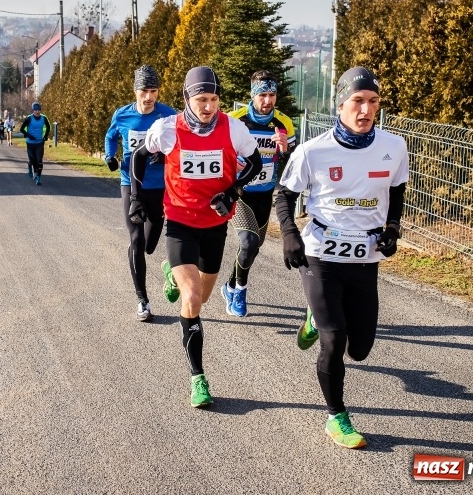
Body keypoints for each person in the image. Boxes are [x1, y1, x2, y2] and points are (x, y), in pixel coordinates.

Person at [274, 66, 409, 449]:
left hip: (365, 258)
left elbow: (396, 189)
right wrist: (288, 235)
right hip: (321, 255)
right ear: (340, 105)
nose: (366, 110)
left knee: (361, 349)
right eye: (357, 101)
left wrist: (393, 228)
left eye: (373, 102)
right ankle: (337, 417)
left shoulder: (393, 147)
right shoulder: (313, 152)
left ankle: (314, 316)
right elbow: (283, 195)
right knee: (335, 340)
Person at [130, 66, 262, 408]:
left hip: (215, 225)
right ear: (187, 98)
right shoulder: (167, 129)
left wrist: (233, 192)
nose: (209, 107)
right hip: (179, 221)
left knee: (201, 296)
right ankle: (198, 378)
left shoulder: (233, 129)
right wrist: (136, 198)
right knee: (191, 298)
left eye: (214, 99)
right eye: (202, 99)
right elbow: (139, 158)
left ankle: (171, 274)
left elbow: (255, 161)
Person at [104, 65, 177, 322]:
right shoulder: (122, 115)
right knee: (136, 240)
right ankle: (142, 300)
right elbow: (110, 136)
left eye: (153, 91)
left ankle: (166, 267)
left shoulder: (169, 116)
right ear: (135, 91)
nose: (148, 97)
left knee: (149, 244)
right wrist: (109, 156)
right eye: (144, 91)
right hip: (131, 184)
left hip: (159, 187)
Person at [221, 70, 297, 317]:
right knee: (248, 241)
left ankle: (230, 285)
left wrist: (285, 151)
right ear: (252, 95)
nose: (267, 101)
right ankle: (240, 292)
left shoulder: (284, 123)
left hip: (265, 194)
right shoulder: (235, 119)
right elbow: (217, 153)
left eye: (272, 94)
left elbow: (294, 164)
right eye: (262, 95)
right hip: (241, 192)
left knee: (252, 248)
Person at [19, 102, 51, 185]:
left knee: (39, 160)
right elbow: (22, 129)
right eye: (36, 110)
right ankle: (30, 165)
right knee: (33, 161)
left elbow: (48, 127)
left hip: (40, 142)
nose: (37, 111)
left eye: (39, 110)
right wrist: (29, 136)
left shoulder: (43, 118)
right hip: (30, 143)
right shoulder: (29, 119)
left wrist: (45, 136)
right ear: (33, 110)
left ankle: (38, 178)